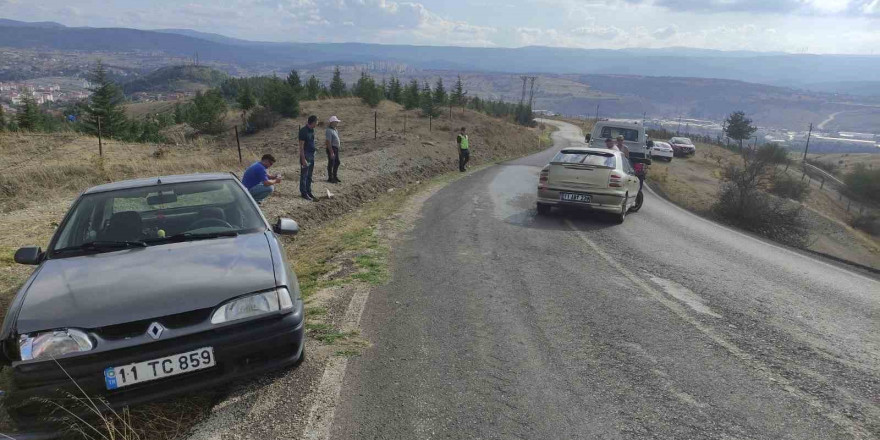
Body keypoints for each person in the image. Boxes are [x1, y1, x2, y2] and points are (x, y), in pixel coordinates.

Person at [299, 115, 318, 201]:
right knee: (304, 175)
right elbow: (301, 147)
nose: (317, 123)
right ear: (313, 122)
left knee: (309, 175)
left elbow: (311, 141)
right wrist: (303, 159)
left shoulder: (312, 130)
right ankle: (304, 193)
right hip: (306, 155)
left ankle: (309, 191)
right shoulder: (303, 131)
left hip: (311, 154)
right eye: (316, 122)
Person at [325, 116, 342, 183]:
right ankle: (330, 178)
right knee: (332, 163)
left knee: (337, 162)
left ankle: (334, 176)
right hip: (332, 148)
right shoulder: (329, 130)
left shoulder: (335, 130)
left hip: (335, 148)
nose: (337, 123)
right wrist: (331, 151)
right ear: (332, 122)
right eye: (336, 122)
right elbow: (328, 142)